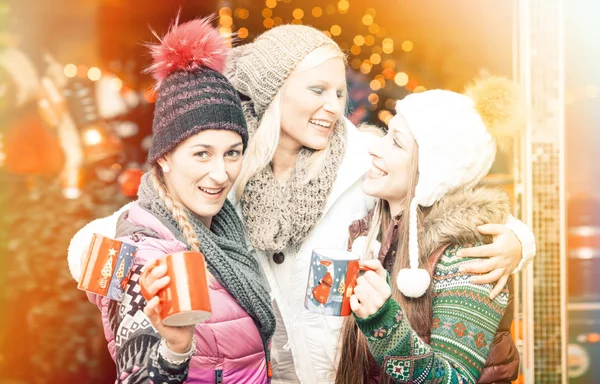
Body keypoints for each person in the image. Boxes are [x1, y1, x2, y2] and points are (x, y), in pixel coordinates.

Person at [68, 24, 535, 383]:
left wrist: (518, 238)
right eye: (317, 90)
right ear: (275, 90)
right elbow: (152, 215)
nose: (333, 105)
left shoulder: (363, 158)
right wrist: (96, 250)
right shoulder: (230, 165)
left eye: (338, 91)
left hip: (344, 369)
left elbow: (441, 188)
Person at [82, 18, 275, 383]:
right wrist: (175, 349)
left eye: (232, 153)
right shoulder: (138, 254)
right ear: (165, 157)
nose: (221, 173)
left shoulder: (228, 229)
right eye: (202, 154)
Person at [338, 77, 523, 383]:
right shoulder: (373, 232)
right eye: (386, 133)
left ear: (433, 171)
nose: (376, 148)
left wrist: (382, 322)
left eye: (396, 142)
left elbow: (454, 380)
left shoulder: (470, 257)